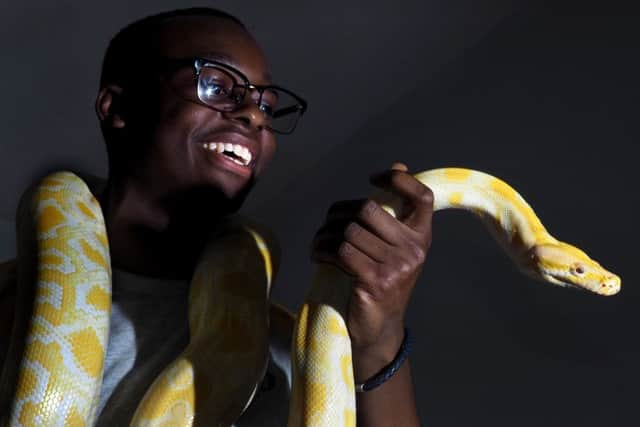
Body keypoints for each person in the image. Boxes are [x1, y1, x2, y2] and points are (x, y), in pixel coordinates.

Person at [0, 7, 433, 426]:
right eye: (218, 86)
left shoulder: (283, 353)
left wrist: (380, 342)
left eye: (267, 104)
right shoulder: (12, 304)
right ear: (117, 108)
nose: (254, 114)